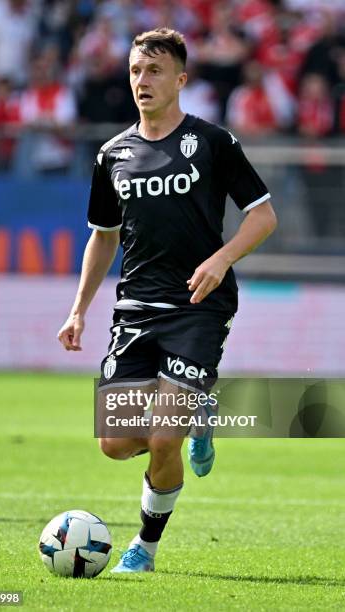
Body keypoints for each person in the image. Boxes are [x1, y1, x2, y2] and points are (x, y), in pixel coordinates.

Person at [57, 27, 277, 573]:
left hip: (199, 307)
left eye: (154, 71)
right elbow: (104, 235)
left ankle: (145, 548)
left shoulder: (212, 142)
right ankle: (200, 415)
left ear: (181, 79)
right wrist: (79, 308)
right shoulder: (113, 155)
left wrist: (222, 257)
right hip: (134, 310)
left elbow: (264, 217)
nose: (142, 81)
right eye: (135, 70)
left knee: (161, 438)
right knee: (113, 442)